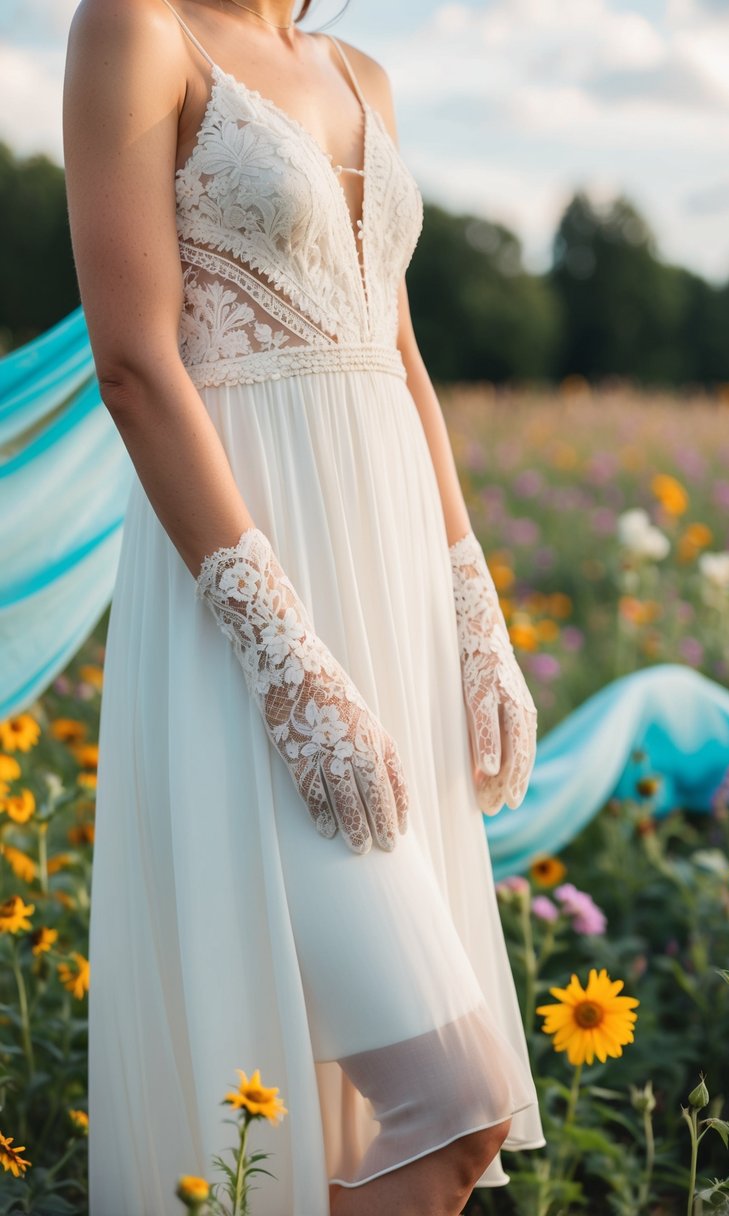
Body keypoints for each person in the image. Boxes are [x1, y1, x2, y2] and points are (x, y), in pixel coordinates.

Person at [62, 0, 545, 1210]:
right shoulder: (138, 28)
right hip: (250, 618)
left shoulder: (360, 70)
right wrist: (286, 661)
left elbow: (400, 356)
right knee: (455, 1109)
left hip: (392, 598)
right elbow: (133, 362)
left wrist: (470, 601)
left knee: (371, 1138)